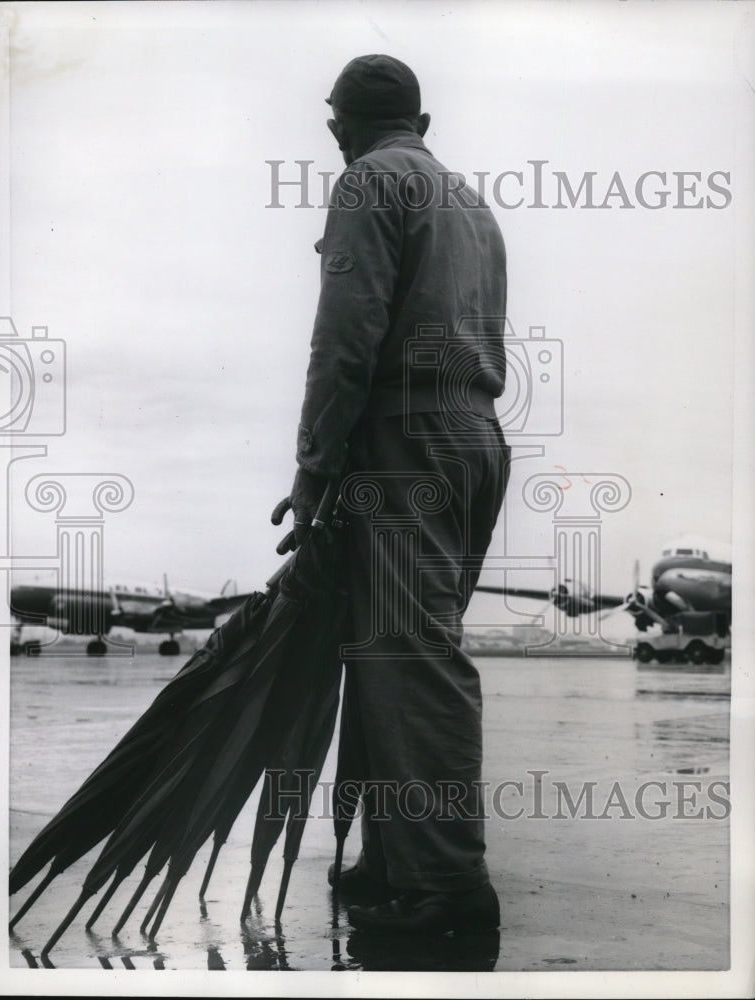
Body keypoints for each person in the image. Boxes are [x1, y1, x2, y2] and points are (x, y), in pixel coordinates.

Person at [272, 54, 511, 935]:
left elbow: (346, 333)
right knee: (391, 649)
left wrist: (314, 465)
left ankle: (448, 889)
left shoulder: (369, 182)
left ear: (336, 128)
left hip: (406, 438)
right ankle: (393, 864)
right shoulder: (465, 199)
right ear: (424, 123)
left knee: (408, 657)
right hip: (473, 437)